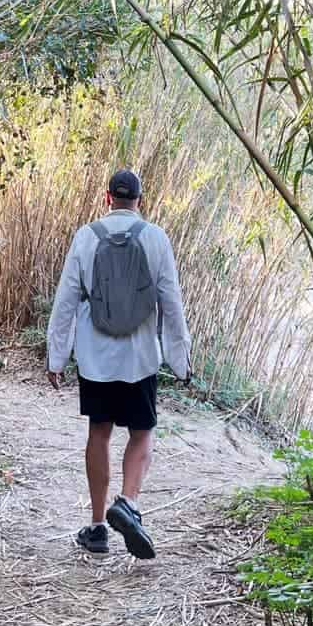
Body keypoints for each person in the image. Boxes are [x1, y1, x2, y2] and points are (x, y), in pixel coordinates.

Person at [45, 169, 191, 559]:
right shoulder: (156, 238)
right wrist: (180, 360)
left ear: (107, 197)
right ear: (140, 200)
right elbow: (171, 303)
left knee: (100, 433)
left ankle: (96, 528)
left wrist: (56, 356)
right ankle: (128, 501)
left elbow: (66, 300)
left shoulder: (86, 237)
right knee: (142, 433)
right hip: (141, 356)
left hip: (95, 357)